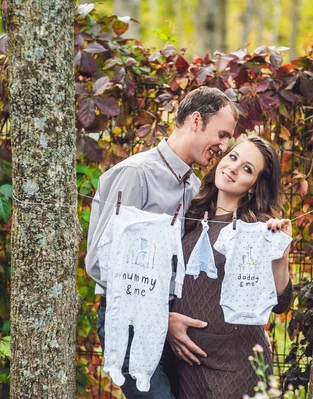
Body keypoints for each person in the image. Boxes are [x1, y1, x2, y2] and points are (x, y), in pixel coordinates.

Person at [85, 86, 238, 399]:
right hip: (130, 324)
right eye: (221, 134)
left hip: (174, 324)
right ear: (196, 121)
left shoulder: (194, 186)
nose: (223, 146)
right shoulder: (135, 175)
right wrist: (157, 316)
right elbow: (103, 264)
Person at [167, 136, 294, 399]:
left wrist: (281, 257)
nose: (234, 168)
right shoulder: (188, 213)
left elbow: (281, 303)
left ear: (254, 187)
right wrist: (165, 319)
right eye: (233, 157)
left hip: (235, 367)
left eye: (248, 169)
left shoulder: (257, 229)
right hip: (185, 364)